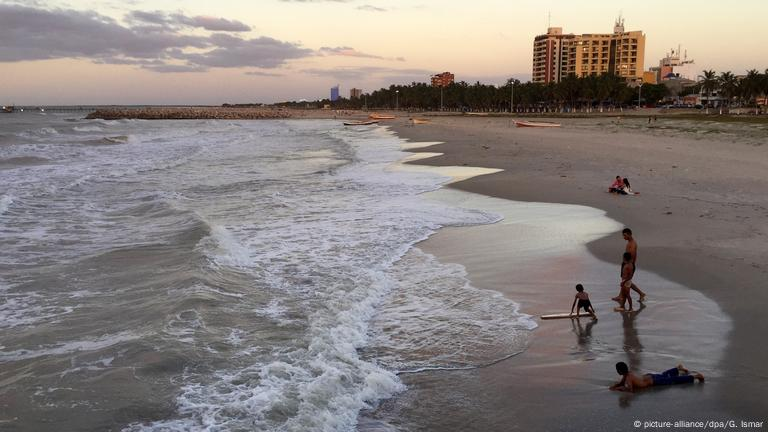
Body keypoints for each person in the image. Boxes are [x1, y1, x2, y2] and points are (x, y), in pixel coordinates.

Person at [610, 362, 704, 392]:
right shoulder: (627, 374)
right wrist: (616, 385)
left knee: (672, 380)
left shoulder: (628, 378)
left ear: (620, 371)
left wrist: (617, 389)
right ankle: (678, 369)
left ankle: (695, 376)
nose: (617, 371)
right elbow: (622, 383)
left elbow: (629, 389)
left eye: (617, 370)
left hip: (653, 381)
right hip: (650, 376)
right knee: (664, 375)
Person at [622, 228, 646, 301]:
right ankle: (621, 296)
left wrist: (628, 265)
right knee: (624, 280)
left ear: (629, 234)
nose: (624, 237)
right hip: (627, 263)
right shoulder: (629, 242)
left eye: (625, 235)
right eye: (623, 235)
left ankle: (641, 293)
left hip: (629, 265)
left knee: (626, 281)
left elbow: (632, 256)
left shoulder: (632, 244)